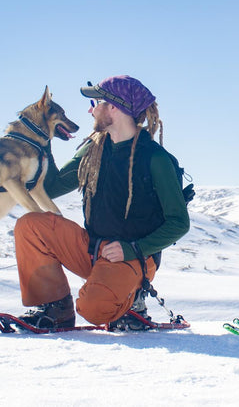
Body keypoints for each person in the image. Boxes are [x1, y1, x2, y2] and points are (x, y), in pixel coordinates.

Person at [13, 75, 190, 329]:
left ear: (114, 107)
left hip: (135, 257)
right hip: (93, 250)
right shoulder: (93, 150)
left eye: (96, 102)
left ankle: (133, 299)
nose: (90, 109)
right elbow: (50, 187)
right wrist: (43, 137)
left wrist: (133, 249)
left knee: (93, 308)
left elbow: (179, 223)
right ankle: (56, 308)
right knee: (30, 226)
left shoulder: (155, 159)